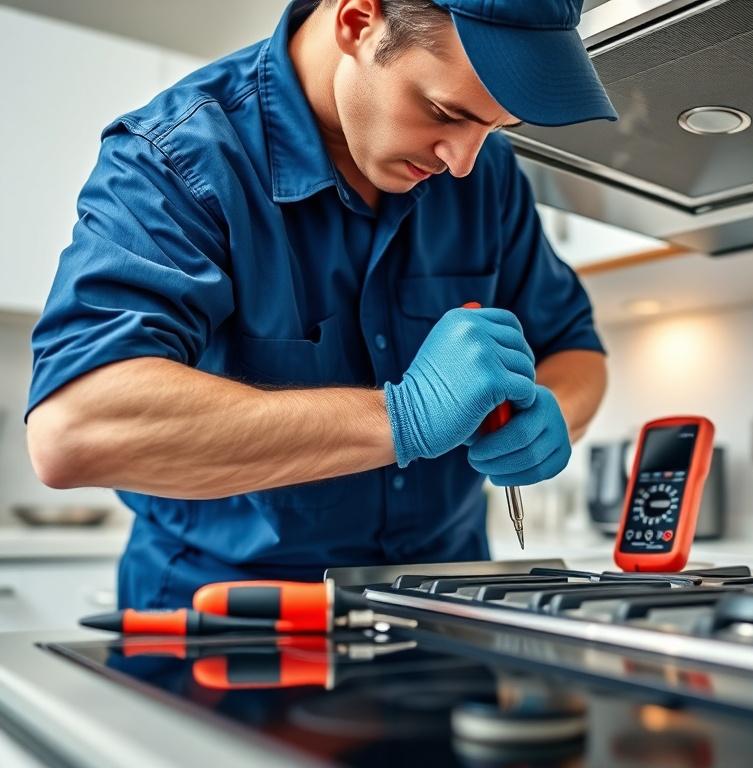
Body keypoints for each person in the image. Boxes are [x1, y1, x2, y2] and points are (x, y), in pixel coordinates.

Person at [25, 0, 617, 608]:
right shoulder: (179, 157)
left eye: (493, 128)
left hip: (447, 615)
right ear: (358, 22)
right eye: (442, 112)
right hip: (230, 628)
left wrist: (552, 411)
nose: (462, 163)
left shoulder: (485, 174)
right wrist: (403, 417)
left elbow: (573, 348)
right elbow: (77, 429)